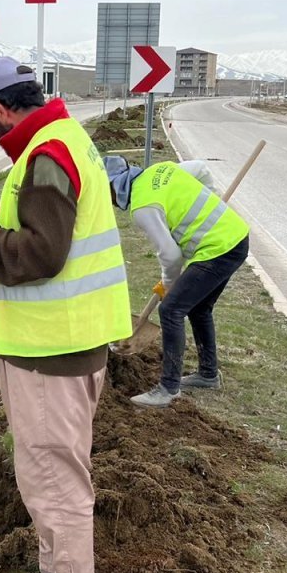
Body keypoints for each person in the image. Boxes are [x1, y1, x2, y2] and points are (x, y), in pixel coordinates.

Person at [0, 56, 131, 573]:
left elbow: (41, 253)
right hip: (53, 345)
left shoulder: (47, 153)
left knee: (56, 484)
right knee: (43, 472)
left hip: (52, 352)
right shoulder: (60, 140)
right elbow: (38, 240)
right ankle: (55, 572)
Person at [104, 156, 250, 408]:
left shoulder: (142, 206)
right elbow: (202, 169)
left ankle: (168, 388)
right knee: (199, 307)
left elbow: (170, 255)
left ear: (114, 186)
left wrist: (168, 285)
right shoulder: (161, 170)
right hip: (236, 237)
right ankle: (208, 374)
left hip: (217, 249)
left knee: (171, 309)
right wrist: (212, 199)